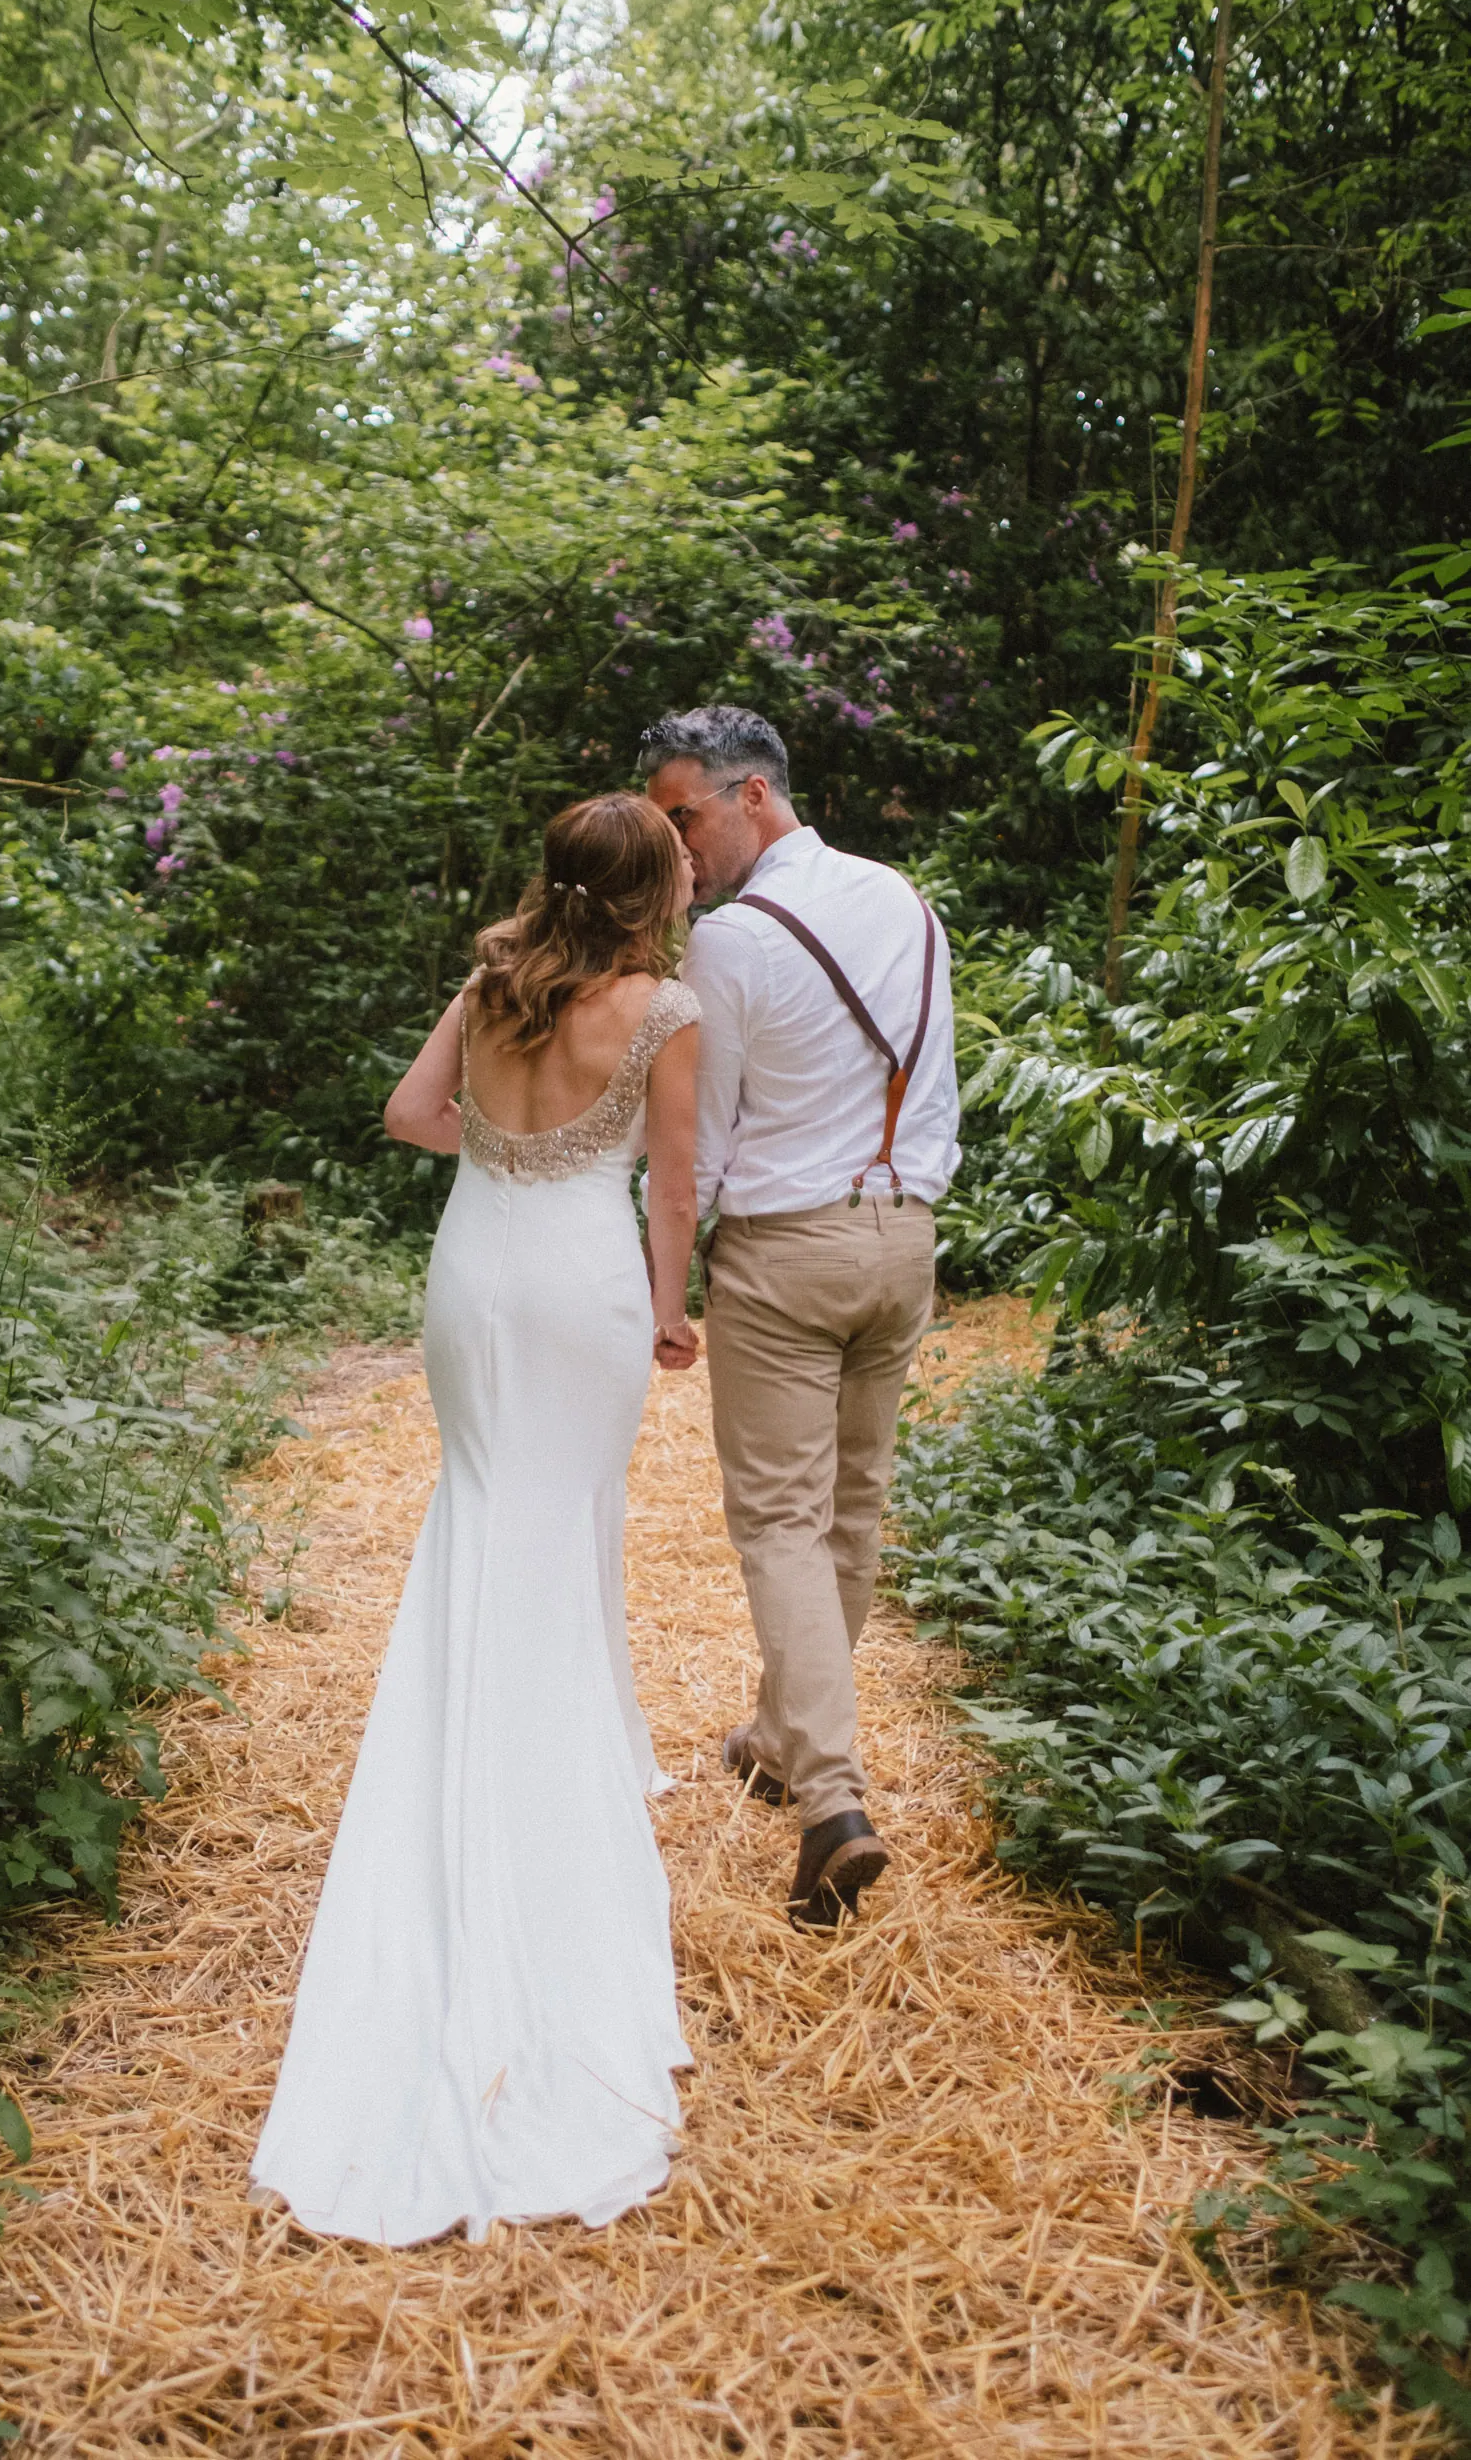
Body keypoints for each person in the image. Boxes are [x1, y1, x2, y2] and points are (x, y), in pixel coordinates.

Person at [250, 793, 700, 2245]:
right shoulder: (662, 1007)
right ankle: (543, 1795)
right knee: (561, 1521)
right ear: (653, 885)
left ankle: (481, 1750)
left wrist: (505, 1159)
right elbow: (674, 1192)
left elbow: (407, 1116)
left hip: (472, 1272)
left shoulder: (494, 970)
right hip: (577, 1285)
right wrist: (669, 1312)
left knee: (486, 1510)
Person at [641, 706, 959, 1929]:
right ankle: (779, 1736)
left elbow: (702, 1142)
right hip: (905, 1237)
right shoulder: (906, 902)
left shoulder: (727, 943)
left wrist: (662, 1276)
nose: (677, 849)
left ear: (754, 794)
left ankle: (828, 1800)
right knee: (853, 1507)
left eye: (685, 818)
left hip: (786, 1249)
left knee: (778, 1517)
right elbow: (932, 1084)